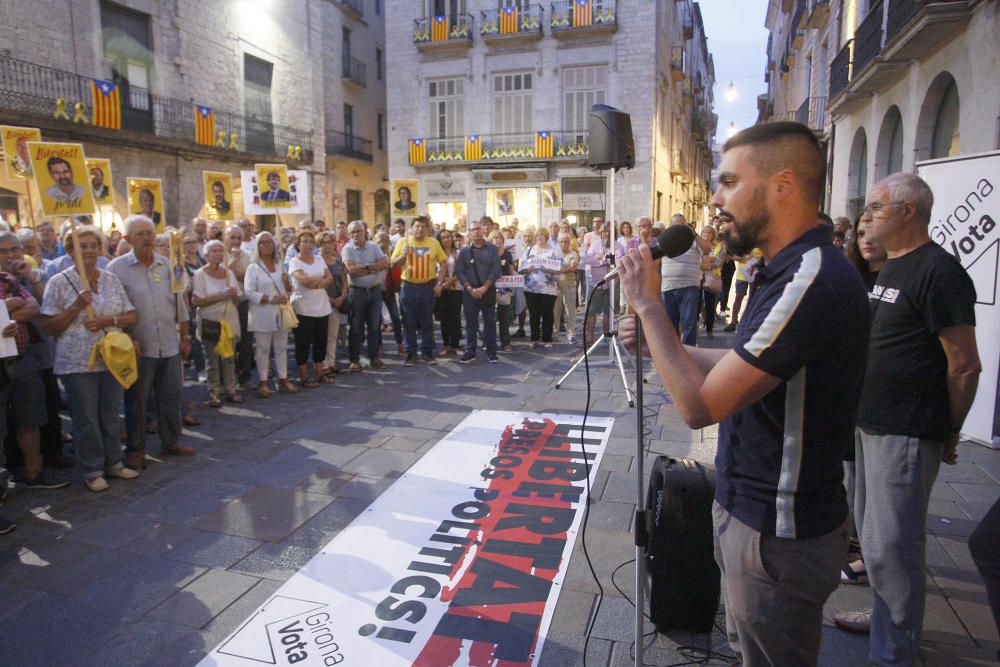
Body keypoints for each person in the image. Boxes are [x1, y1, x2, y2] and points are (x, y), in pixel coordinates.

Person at [617, 121, 870, 667]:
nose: (715, 198)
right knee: (744, 647)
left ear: (782, 185)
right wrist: (661, 347)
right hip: (751, 512)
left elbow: (700, 406)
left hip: (779, 530)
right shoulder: (784, 270)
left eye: (730, 181)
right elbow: (739, 366)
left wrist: (649, 307)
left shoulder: (812, 279)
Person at [832, 174, 981, 667]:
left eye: (876, 206)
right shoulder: (891, 268)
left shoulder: (939, 272)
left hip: (905, 428)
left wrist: (949, 427)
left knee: (893, 548)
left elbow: (964, 364)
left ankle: (894, 653)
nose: (867, 215)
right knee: (873, 544)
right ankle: (885, 621)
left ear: (908, 211)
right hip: (866, 425)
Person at [41, 225, 140, 492]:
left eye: (93, 245)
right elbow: (49, 327)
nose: (88, 250)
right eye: (81, 245)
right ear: (70, 250)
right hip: (77, 361)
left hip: (111, 358)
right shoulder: (59, 282)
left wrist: (109, 320)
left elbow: (131, 315)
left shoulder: (110, 279)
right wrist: (75, 307)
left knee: (109, 413)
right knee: (86, 418)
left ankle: (113, 462)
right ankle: (92, 468)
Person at [109, 215, 196, 469]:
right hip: (139, 346)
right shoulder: (116, 269)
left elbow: (180, 304)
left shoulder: (168, 265)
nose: (147, 238)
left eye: (150, 233)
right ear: (127, 239)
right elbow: (116, 308)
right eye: (140, 234)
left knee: (171, 395)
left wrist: (185, 336)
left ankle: (171, 440)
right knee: (137, 401)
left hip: (169, 342)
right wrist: (128, 337)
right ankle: (136, 449)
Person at [0, 232, 69, 491]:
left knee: (31, 418)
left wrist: (8, 311)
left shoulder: (13, 279)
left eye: (13, 250)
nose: (10, 256)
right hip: (1, 363)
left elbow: (35, 307)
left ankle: (34, 474)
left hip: (25, 358)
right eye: (3, 251)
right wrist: (9, 307)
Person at [244, 231, 297, 398]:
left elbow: (289, 290)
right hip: (262, 312)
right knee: (263, 348)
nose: (266, 245)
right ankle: (263, 382)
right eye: (262, 242)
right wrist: (269, 299)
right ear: (258, 246)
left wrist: (288, 283)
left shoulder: (281, 265)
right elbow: (249, 292)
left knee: (281, 348)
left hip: (280, 312)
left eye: (269, 242)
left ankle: (283, 379)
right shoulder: (253, 268)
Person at [191, 240, 243, 407]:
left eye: (220, 251)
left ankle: (230, 389)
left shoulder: (228, 273)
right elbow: (198, 300)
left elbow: (237, 300)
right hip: (210, 321)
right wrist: (222, 295)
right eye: (213, 251)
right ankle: (214, 391)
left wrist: (234, 295)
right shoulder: (199, 274)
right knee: (212, 359)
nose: (218, 254)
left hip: (229, 320)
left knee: (229, 357)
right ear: (206, 255)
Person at [390, 216, 446, 366]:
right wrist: (403, 255)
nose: (419, 229)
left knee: (427, 321)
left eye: (422, 227)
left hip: (428, 286)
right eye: (417, 226)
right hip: (408, 286)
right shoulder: (403, 242)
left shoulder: (433, 243)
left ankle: (427, 352)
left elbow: (443, 263)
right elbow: (392, 263)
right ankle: (411, 353)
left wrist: (439, 283)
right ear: (412, 228)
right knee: (409, 321)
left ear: (427, 228)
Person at [660, 213, 714, 346]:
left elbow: (707, 249)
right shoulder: (665, 239)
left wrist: (694, 234)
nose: (679, 228)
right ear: (671, 226)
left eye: (682, 225)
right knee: (669, 323)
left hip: (690, 286)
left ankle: (688, 351)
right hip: (668, 286)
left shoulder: (694, 240)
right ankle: (673, 351)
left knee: (689, 322)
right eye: (676, 225)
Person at [342, 221, 388, 372]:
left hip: (374, 291)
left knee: (375, 326)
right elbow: (351, 270)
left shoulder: (373, 246)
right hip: (357, 292)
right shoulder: (347, 249)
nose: (356, 234)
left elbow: (385, 263)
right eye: (352, 232)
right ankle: (354, 359)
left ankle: (374, 357)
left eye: (358, 231)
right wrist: (372, 267)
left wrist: (365, 267)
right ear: (349, 235)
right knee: (356, 327)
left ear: (364, 232)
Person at [288, 230, 333, 386]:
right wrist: (319, 282)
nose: (307, 244)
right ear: (298, 244)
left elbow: (330, 278)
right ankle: (304, 375)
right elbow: (303, 280)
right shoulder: (294, 261)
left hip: (322, 306)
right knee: (303, 342)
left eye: (310, 241)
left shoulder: (319, 259)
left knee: (321, 340)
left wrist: (316, 284)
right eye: (304, 241)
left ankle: (320, 371)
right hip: (303, 307)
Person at [456, 220, 501, 363]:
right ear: (469, 234)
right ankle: (470, 351)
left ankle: (491, 351)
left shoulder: (492, 249)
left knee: (490, 322)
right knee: (470, 323)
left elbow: (496, 270)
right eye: (473, 229)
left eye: (478, 229)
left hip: (487, 290)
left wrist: (485, 287)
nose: (476, 231)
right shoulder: (464, 251)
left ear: (483, 230)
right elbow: (460, 272)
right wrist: (469, 288)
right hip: (470, 292)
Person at [520, 228, 561, 350]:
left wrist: (548, 269)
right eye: (537, 236)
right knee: (534, 314)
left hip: (548, 289)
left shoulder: (553, 251)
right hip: (531, 288)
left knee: (547, 314)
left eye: (542, 236)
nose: (539, 238)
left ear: (547, 238)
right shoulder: (528, 250)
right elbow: (521, 267)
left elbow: (560, 268)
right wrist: (528, 269)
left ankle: (547, 339)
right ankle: (534, 338)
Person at [225, 226, 254, 387]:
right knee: (227, 341)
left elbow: (249, 279)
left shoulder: (248, 256)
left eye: (238, 238)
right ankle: (227, 380)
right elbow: (220, 277)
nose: (236, 241)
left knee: (245, 342)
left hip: (243, 303)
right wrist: (233, 262)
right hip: (225, 304)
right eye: (232, 237)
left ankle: (245, 377)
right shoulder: (219, 254)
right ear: (226, 237)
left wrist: (232, 271)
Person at [319, 231, 349, 375]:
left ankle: (332, 363)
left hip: (337, 302)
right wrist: (330, 300)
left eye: (331, 241)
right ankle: (323, 364)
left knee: (333, 335)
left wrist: (342, 296)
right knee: (322, 335)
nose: (328, 245)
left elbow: (344, 280)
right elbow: (319, 283)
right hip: (323, 302)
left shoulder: (337, 260)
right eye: (325, 242)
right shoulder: (317, 260)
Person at [580, 217, 611, 344]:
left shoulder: (617, 245)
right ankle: (589, 336)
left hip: (611, 284)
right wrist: (604, 260)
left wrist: (600, 258)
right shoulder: (595, 244)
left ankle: (606, 336)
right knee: (591, 311)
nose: (607, 234)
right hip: (596, 283)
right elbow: (587, 259)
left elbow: (617, 262)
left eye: (610, 232)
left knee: (608, 312)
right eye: (605, 231)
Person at [435, 229, 463, 357]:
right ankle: (446, 345)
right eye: (443, 238)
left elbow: (462, 269)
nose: (446, 239)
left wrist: (452, 280)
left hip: (456, 288)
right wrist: (444, 281)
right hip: (442, 288)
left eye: (448, 237)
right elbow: (435, 270)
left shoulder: (457, 253)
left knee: (455, 317)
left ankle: (456, 344)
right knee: (444, 318)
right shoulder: (436, 253)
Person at [375, 231, 403, 356]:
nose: (382, 246)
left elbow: (395, 265)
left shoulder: (390, 252)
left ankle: (400, 343)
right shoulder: (373, 253)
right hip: (376, 288)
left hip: (389, 288)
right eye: (379, 243)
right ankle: (379, 345)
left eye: (384, 243)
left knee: (395, 317)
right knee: (377, 319)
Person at [553, 232, 579, 344]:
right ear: (558, 243)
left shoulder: (573, 254)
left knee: (570, 311)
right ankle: (555, 333)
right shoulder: (553, 254)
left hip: (569, 284)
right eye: (561, 241)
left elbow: (572, 267)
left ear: (569, 243)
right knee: (555, 311)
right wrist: (563, 268)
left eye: (566, 241)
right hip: (555, 285)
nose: (564, 244)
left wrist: (559, 269)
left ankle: (571, 334)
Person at [700, 226, 726, 340]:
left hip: (711, 279)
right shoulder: (697, 246)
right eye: (705, 232)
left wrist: (706, 261)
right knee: (697, 305)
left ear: (713, 235)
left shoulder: (717, 247)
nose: (707, 234)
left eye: (710, 232)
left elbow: (718, 262)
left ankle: (709, 329)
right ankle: (698, 327)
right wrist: (709, 260)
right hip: (697, 277)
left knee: (710, 305)